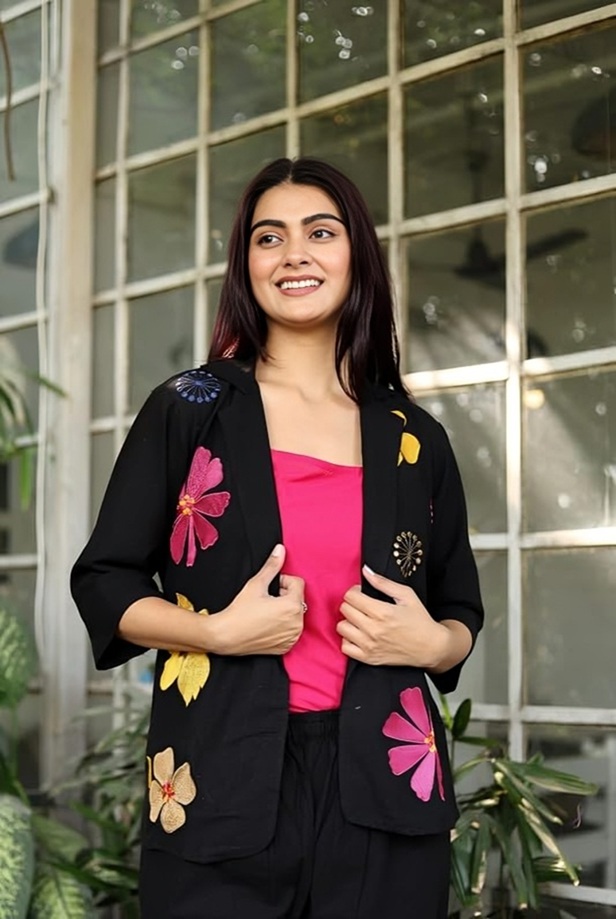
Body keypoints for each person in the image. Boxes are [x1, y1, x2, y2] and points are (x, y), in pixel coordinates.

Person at [71, 156, 484, 918]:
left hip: (387, 786)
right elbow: (103, 580)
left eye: (319, 232)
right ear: (247, 265)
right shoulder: (191, 407)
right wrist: (216, 630)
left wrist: (432, 646)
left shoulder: (412, 437)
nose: (295, 252)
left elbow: (459, 606)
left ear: (355, 254)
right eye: (270, 237)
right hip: (217, 775)